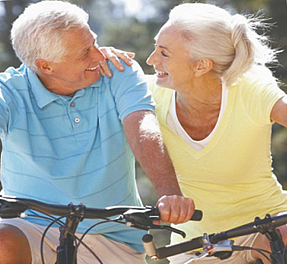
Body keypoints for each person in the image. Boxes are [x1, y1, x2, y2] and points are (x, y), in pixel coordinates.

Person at [0, 1, 195, 264]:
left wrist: (169, 193)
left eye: (94, 43)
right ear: (45, 66)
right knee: (3, 243)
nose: (98, 56)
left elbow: (142, 126)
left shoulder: (118, 70)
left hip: (113, 235)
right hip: (32, 228)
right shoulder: (8, 92)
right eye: (84, 53)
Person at [144, 3, 287, 264]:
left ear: (201, 66)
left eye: (164, 53)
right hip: (196, 246)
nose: (151, 60)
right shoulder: (148, 94)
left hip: (269, 229)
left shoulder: (251, 89)